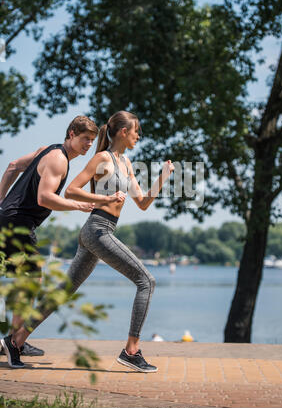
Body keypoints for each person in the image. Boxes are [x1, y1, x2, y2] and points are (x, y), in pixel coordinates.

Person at [8, 110, 175, 372]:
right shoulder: (102, 158)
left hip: (101, 231)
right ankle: (131, 351)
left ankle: (16, 341)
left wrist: (163, 178)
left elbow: (142, 203)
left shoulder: (126, 163)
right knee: (147, 281)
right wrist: (104, 199)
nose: (138, 136)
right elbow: (73, 189)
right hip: (98, 230)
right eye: (135, 131)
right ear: (123, 132)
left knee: (63, 291)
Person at [0, 116, 98, 367]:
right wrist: (79, 205)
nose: (88, 145)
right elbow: (45, 198)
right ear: (72, 134)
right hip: (19, 222)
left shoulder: (46, 150)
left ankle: (12, 341)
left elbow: (12, 166)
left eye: (92, 140)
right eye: (85, 138)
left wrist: (1, 203)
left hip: (9, 218)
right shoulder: (58, 159)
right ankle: (13, 344)